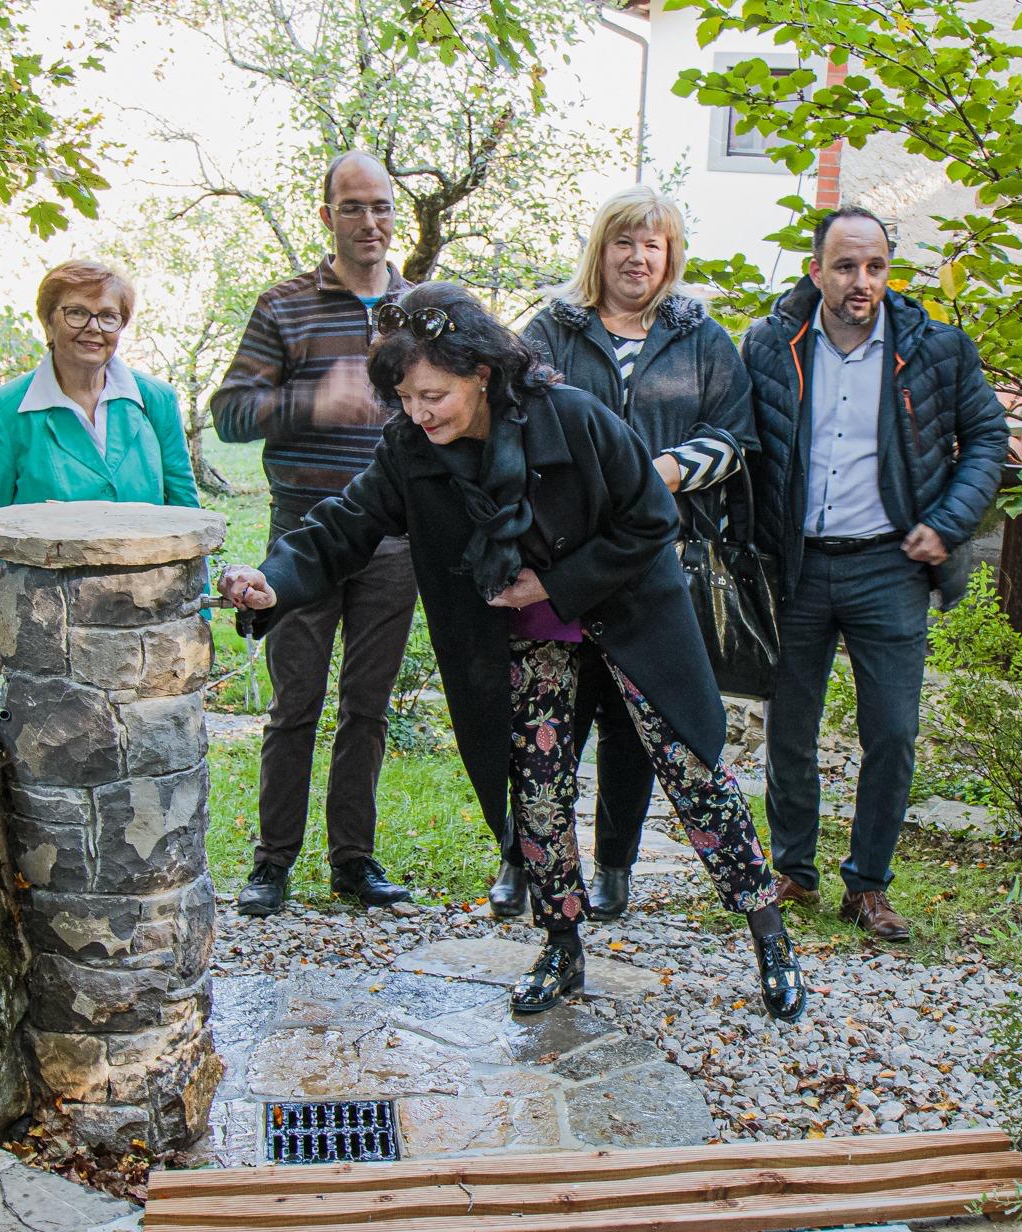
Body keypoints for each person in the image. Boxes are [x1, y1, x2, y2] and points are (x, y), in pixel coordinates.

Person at [216, 284, 807, 1022]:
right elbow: (345, 524)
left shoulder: (576, 420)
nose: (419, 413)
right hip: (532, 640)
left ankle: (768, 934)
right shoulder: (410, 448)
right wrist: (271, 583)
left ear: (483, 373)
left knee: (693, 774)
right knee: (536, 791)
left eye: (432, 394)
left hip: (628, 615)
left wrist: (552, 583)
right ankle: (561, 942)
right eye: (403, 397)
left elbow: (651, 520)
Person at [741, 206, 1009, 944]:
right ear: (816, 271)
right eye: (847, 267)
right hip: (795, 567)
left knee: (891, 731)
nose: (863, 282)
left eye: (876, 267)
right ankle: (793, 866)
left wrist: (949, 524)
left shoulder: (937, 350)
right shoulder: (770, 343)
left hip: (889, 564)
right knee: (788, 729)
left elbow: (988, 436)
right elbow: (743, 444)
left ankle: (868, 884)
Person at [502, 186, 758, 924]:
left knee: (627, 723)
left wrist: (660, 471)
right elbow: (515, 421)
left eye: (653, 243)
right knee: (547, 718)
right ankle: (522, 861)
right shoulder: (552, 329)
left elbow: (736, 437)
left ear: (670, 254)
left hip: (653, 560)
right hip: (558, 558)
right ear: (601, 250)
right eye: (624, 242)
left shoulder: (702, 336)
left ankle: (614, 865)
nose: (638, 257)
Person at [211, 151, 417, 917]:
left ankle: (354, 862)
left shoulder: (420, 310)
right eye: (354, 206)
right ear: (326, 214)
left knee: (369, 705)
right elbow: (228, 412)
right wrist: (311, 401)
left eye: (383, 206)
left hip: (394, 541)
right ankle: (271, 864)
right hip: (302, 534)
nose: (371, 222)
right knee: (295, 702)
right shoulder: (285, 305)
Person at [0, 260, 198, 682]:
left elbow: (185, 512)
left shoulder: (156, 400)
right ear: (48, 322)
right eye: (76, 312)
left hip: (148, 617)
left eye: (109, 316)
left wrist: (196, 606)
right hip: (42, 622)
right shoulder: (3, 411)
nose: (94, 327)